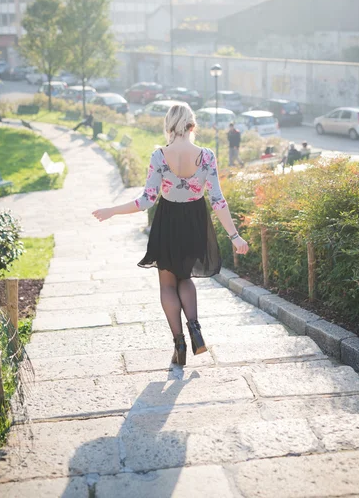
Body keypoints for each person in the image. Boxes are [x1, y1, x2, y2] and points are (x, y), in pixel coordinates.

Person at [92, 104, 249, 367]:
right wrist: (235, 237)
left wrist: (112, 211)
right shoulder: (207, 156)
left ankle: (179, 343)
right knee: (185, 278)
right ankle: (195, 329)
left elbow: (146, 200)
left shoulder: (159, 156)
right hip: (195, 222)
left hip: (168, 222)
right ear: (192, 125)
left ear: (168, 125)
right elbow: (218, 200)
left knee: (167, 284)